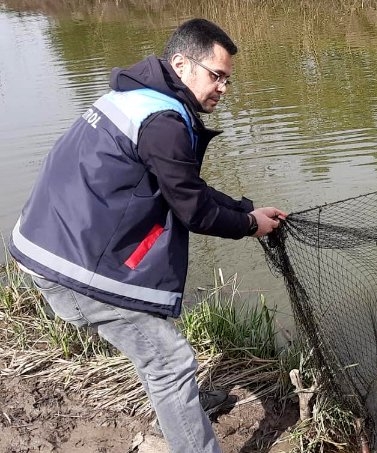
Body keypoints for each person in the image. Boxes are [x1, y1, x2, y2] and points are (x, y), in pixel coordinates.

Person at [9, 18, 283, 453]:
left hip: (47, 242)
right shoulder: (164, 121)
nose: (223, 89)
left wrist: (245, 208)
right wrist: (251, 226)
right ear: (181, 63)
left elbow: (182, 186)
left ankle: (187, 405)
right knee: (169, 362)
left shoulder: (135, 95)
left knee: (155, 331)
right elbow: (193, 210)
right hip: (73, 265)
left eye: (227, 79)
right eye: (216, 76)